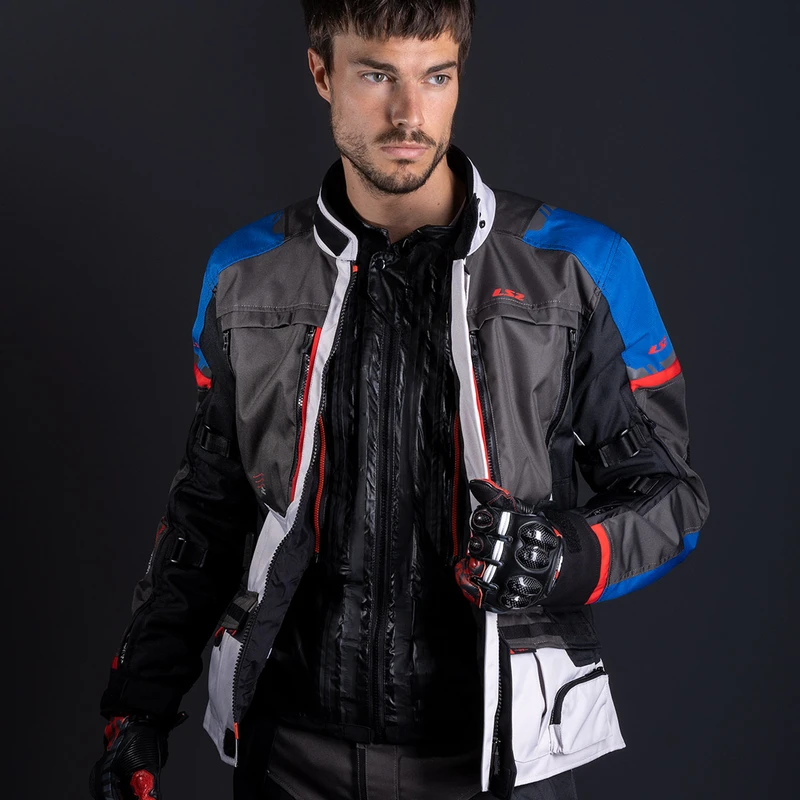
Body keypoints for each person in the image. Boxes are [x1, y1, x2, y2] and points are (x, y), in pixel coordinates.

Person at [90, 1, 710, 798]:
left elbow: (671, 496)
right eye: (378, 76)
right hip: (291, 756)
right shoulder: (244, 276)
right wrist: (138, 706)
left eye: (436, 77)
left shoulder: (579, 267)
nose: (409, 114)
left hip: (497, 755)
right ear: (322, 73)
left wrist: (565, 555)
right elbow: (208, 513)